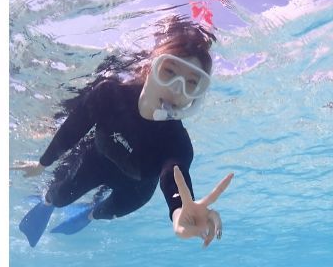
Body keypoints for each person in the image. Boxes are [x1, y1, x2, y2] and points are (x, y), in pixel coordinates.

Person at [12, 17, 233, 248]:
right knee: (58, 197)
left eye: (191, 83)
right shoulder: (109, 95)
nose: (177, 88)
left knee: (103, 213)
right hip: (95, 160)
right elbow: (73, 128)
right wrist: (42, 164)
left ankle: (88, 215)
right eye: (169, 71)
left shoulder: (178, 143)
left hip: (135, 189)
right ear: (150, 67)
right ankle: (46, 204)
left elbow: (174, 178)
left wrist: (179, 213)